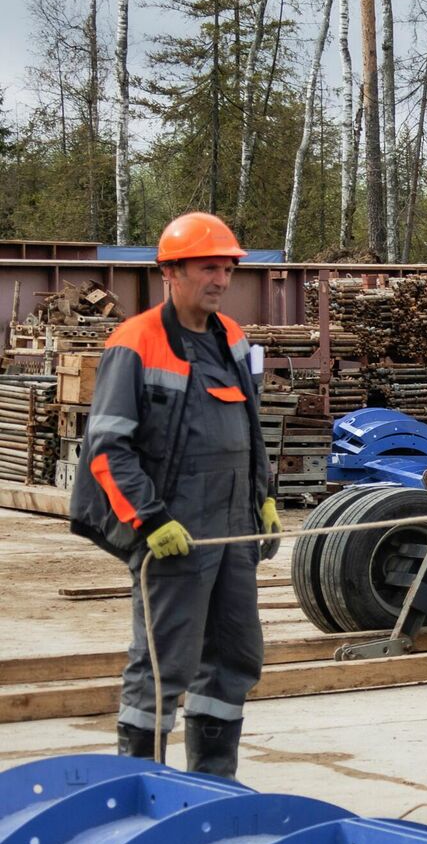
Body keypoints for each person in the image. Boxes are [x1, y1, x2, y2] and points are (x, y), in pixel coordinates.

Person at [69, 212, 276, 777]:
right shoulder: (135, 342)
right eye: (208, 267)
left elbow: (251, 427)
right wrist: (149, 519)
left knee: (235, 657)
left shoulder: (231, 337)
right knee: (164, 664)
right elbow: (107, 448)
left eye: (227, 268)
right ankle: (142, 784)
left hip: (233, 526)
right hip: (174, 532)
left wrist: (265, 496)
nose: (221, 279)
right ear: (171, 272)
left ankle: (213, 780)